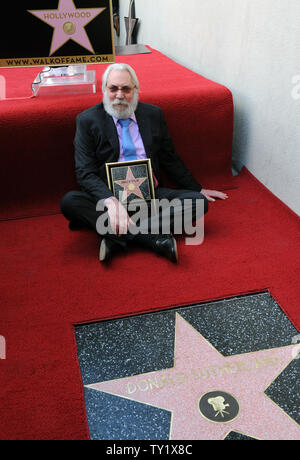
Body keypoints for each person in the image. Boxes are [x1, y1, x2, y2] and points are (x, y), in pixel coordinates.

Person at [61, 63, 228, 263]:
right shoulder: (87, 120)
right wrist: (111, 202)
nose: (119, 95)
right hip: (111, 199)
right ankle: (153, 239)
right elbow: (85, 173)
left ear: (136, 90)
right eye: (113, 88)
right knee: (70, 202)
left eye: (126, 89)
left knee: (197, 202)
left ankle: (116, 237)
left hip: (152, 195)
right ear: (105, 90)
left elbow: (169, 157)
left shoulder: (153, 115)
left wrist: (197, 188)